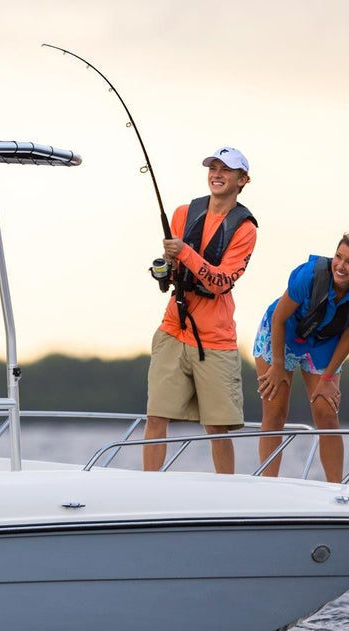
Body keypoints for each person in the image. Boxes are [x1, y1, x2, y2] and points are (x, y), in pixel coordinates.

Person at [144, 147, 258, 474]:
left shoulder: (245, 229)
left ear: (242, 180)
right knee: (156, 416)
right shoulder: (184, 212)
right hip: (172, 327)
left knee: (216, 427)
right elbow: (171, 263)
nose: (217, 174)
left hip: (215, 337)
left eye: (226, 169)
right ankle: (148, 486)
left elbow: (221, 281)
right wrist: (164, 267)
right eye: (213, 167)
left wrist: (185, 253)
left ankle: (227, 492)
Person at [254, 232, 349, 482]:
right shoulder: (309, 275)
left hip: (322, 344)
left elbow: (348, 339)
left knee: (326, 414)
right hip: (283, 335)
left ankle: (335, 489)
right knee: (275, 412)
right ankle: (268, 483)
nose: (341, 266)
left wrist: (328, 377)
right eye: (338, 257)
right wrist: (277, 365)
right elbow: (279, 318)